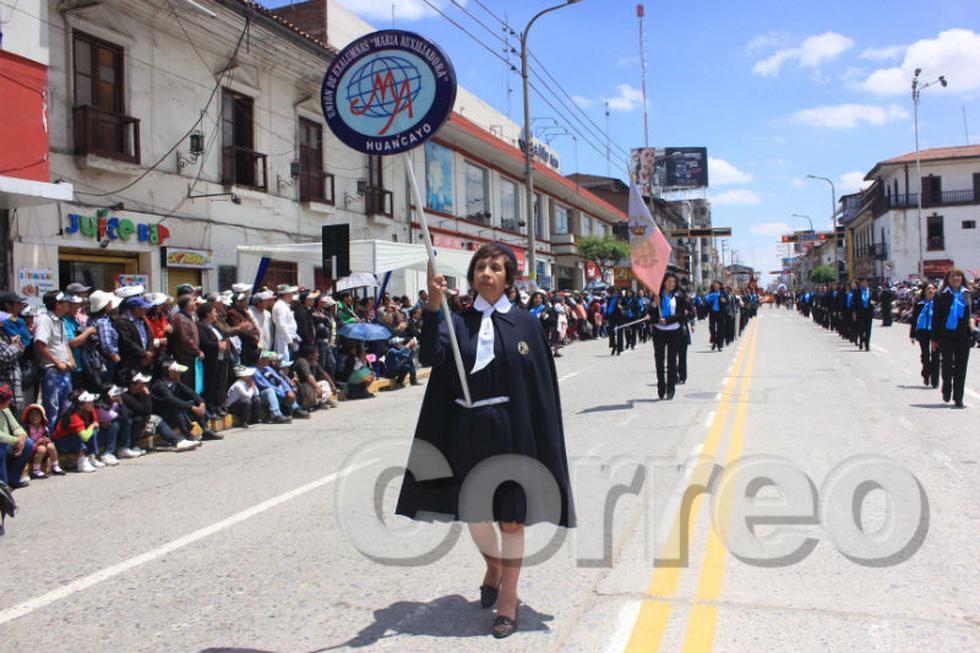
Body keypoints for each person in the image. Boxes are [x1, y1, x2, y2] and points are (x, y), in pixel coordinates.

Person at [395, 243, 576, 639]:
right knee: (476, 514)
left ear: (509, 278)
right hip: (467, 427)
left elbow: (540, 388)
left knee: (510, 519)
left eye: (495, 267)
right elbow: (430, 356)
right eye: (480, 267)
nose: (486, 273)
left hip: (513, 430)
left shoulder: (527, 324)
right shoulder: (457, 319)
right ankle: (493, 565)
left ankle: (508, 597)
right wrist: (433, 306)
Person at [121, 371, 196, 452]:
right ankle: (131, 445)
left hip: (142, 422)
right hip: (130, 424)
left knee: (156, 419)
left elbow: (148, 411)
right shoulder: (126, 396)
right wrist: (147, 395)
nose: (144, 385)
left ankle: (177, 441)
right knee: (139, 419)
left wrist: (146, 395)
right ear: (133, 385)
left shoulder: (141, 393)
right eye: (141, 383)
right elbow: (143, 410)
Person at [150, 359, 223, 441]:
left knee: (194, 402)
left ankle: (205, 430)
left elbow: (192, 393)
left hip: (173, 413)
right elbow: (172, 400)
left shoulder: (176, 383)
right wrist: (192, 407)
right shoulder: (160, 385)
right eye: (178, 372)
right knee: (178, 408)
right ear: (171, 373)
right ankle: (188, 435)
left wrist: (201, 403)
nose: (180, 374)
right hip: (164, 416)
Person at [933, 268, 973, 408]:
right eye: (953, 276)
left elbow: (972, 313)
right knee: (948, 365)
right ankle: (947, 387)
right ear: (948, 279)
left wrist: (972, 323)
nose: (956, 278)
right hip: (946, 335)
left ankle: (958, 397)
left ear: (962, 278)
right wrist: (934, 339)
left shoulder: (967, 294)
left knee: (961, 367)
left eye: (958, 276)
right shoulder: (940, 295)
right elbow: (936, 318)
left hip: (963, 335)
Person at [35, 290, 74, 425]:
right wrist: (57, 362)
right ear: (58, 304)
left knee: (66, 408)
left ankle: (62, 442)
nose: (69, 304)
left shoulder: (60, 321)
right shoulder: (44, 320)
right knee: (52, 410)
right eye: (65, 301)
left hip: (65, 370)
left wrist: (71, 360)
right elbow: (40, 345)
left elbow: (65, 344)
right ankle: (50, 441)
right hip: (52, 370)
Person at [646, 274, 685, 400]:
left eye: (674, 282)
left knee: (672, 360)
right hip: (659, 332)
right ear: (664, 282)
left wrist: (667, 320)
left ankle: (671, 389)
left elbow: (680, 315)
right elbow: (651, 313)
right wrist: (653, 305)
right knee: (659, 360)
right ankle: (661, 387)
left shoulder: (679, 296)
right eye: (669, 281)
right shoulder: (657, 295)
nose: (671, 284)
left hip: (674, 331)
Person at [52, 389, 101, 473]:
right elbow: (85, 437)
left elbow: (96, 425)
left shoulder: (90, 411)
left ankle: (91, 456)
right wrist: (92, 426)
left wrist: (93, 426)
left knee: (93, 431)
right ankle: (81, 461)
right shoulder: (74, 416)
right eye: (89, 402)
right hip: (63, 444)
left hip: (76, 442)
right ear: (81, 405)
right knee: (79, 435)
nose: (92, 403)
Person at [197, 301, 230, 418]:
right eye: (214, 311)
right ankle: (209, 407)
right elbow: (204, 342)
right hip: (210, 360)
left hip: (220, 359)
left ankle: (216, 406)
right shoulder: (200, 326)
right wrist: (217, 345)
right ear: (207, 313)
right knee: (210, 385)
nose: (216, 313)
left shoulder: (214, 326)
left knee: (218, 383)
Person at [0, 384, 35, 487]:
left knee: (28, 443)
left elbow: (16, 427)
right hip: (2, 446)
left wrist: (22, 437)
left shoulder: (5, 410)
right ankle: (3, 484)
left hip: (7, 444)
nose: (10, 401)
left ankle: (14, 479)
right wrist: (16, 441)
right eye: (8, 399)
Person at [909, 283, 940, 388]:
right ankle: (926, 375)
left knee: (936, 356)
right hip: (922, 332)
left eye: (932, 288)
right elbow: (914, 321)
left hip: (935, 332)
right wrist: (912, 335)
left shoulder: (939, 304)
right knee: (925, 355)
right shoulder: (919, 304)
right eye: (928, 289)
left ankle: (935, 379)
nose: (931, 290)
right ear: (924, 291)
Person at [168, 295, 202, 388]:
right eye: (192, 301)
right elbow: (185, 339)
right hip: (184, 357)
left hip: (190, 357)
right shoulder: (180, 318)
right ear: (186, 304)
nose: (195, 303)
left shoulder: (189, 317)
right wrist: (197, 351)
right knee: (185, 383)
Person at [21, 403, 64, 478]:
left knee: (51, 446)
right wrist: (38, 443)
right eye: (31, 415)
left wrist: (47, 440)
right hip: (31, 451)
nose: (34, 417)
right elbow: (27, 445)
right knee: (41, 449)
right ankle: (36, 470)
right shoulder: (27, 429)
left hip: (42, 452)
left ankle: (55, 466)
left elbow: (48, 439)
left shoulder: (44, 428)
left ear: (42, 417)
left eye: (37, 415)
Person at [252, 351, 293, 424]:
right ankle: (276, 415)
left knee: (286, 388)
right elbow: (265, 384)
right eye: (265, 358)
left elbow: (280, 379)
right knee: (270, 390)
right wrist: (283, 393)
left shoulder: (268, 368)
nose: (268, 359)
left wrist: (288, 390)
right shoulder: (254, 370)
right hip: (260, 395)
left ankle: (295, 409)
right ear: (259, 359)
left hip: (276, 391)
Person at [272, 284, 300, 362]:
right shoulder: (280, 306)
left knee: (287, 362)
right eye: (291, 293)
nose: (292, 295)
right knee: (283, 362)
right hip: (284, 341)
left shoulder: (284, 306)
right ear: (286, 294)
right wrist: (290, 340)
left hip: (288, 339)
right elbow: (281, 325)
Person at [853, 278, 875, 352]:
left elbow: (876, 299)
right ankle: (861, 341)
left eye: (866, 282)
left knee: (868, 329)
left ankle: (867, 344)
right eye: (863, 282)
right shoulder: (857, 291)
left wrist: (874, 302)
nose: (864, 284)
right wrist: (854, 313)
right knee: (861, 328)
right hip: (860, 312)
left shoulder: (871, 291)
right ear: (861, 283)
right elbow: (854, 303)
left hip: (869, 312)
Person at [704, 281, 727, 351]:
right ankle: (714, 341)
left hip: (721, 313)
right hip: (712, 313)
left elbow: (727, 301)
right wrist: (709, 299)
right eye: (715, 285)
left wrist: (724, 300)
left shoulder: (723, 293)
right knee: (712, 328)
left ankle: (719, 345)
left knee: (721, 329)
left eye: (717, 285)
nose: (716, 286)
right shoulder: (710, 293)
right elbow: (706, 300)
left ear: (719, 286)